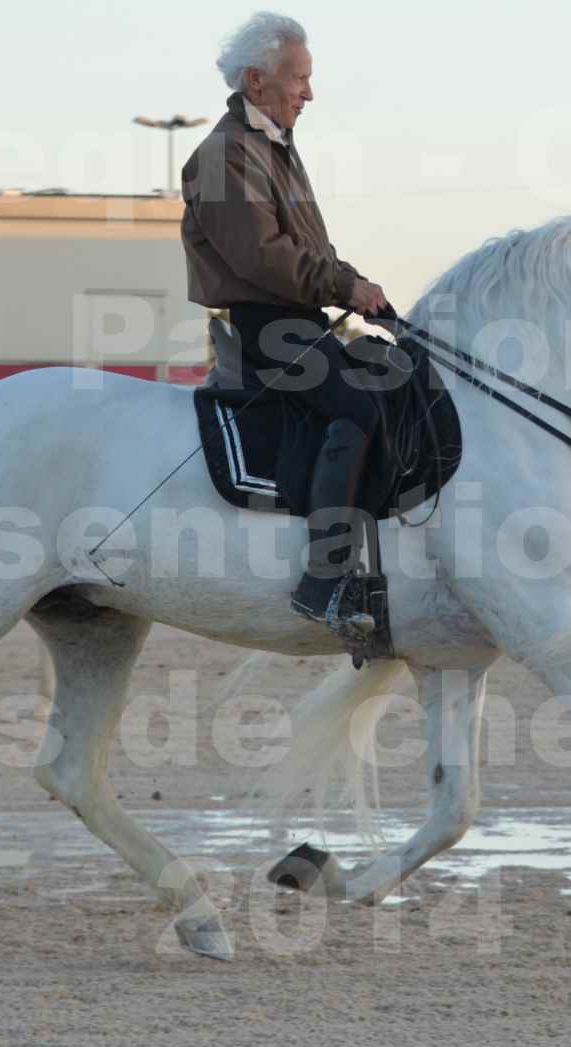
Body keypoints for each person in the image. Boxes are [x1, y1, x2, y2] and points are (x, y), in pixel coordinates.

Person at [180, 13, 389, 637]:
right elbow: (258, 257)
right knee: (357, 410)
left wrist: (354, 285)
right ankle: (323, 583)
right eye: (299, 78)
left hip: (303, 317)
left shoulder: (272, 145)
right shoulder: (222, 155)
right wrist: (343, 284)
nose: (309, 92)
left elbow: (305, 249)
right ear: (255, 79)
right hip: (267, 326)